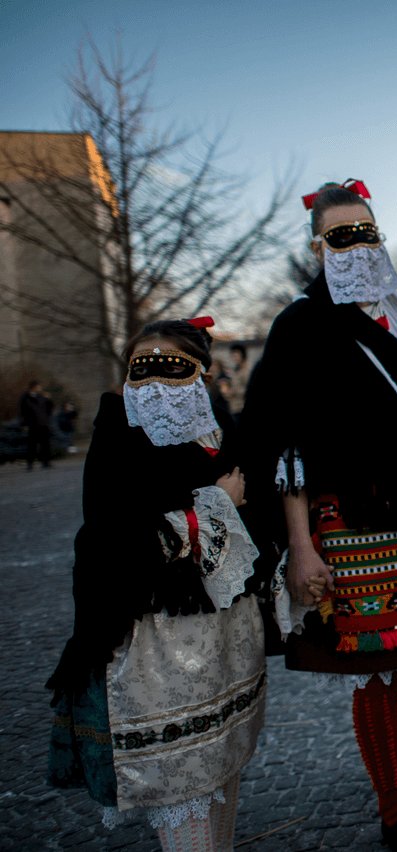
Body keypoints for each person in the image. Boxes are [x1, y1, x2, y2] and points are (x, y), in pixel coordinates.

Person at [238, 180, 397, 852]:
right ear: (317, 248)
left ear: (379, 236)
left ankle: (388, 738)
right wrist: (300, 544)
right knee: (381, 667)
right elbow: (283, 442)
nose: (355, 246)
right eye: (339, 237)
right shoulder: (300, 326)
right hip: (349, 523)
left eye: (365, 232)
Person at [46, 317, 265, 851]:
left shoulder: (219, 425)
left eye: (172, 368)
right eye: (141, 369)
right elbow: (111, 534)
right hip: (158, 638)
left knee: (222, 761)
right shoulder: (118, 429)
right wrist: (216, 506)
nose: (155, 383)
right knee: (180, 778)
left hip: (226, 630)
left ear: (201, 373)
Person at [20, 380, 54, 469]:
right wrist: (24, 424)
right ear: (33, 387)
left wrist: (49, 399)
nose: (40, 388)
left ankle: (46, 462)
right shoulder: (25, 398)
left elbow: (49, 408)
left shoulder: (41, 397)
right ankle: (30, 464)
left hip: (43, 424)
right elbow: (22, 412)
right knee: (32, 445)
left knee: (45, 444)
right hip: (32, 425)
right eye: (38, 387)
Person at [223, 343, 251, 417]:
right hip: (234, 408)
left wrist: (233, 391)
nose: (234, 358)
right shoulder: (236, 370)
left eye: (236, 355)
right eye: (232, 355)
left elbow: (249, 389)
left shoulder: (247, 371)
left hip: (242, 408)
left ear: (242, 355)